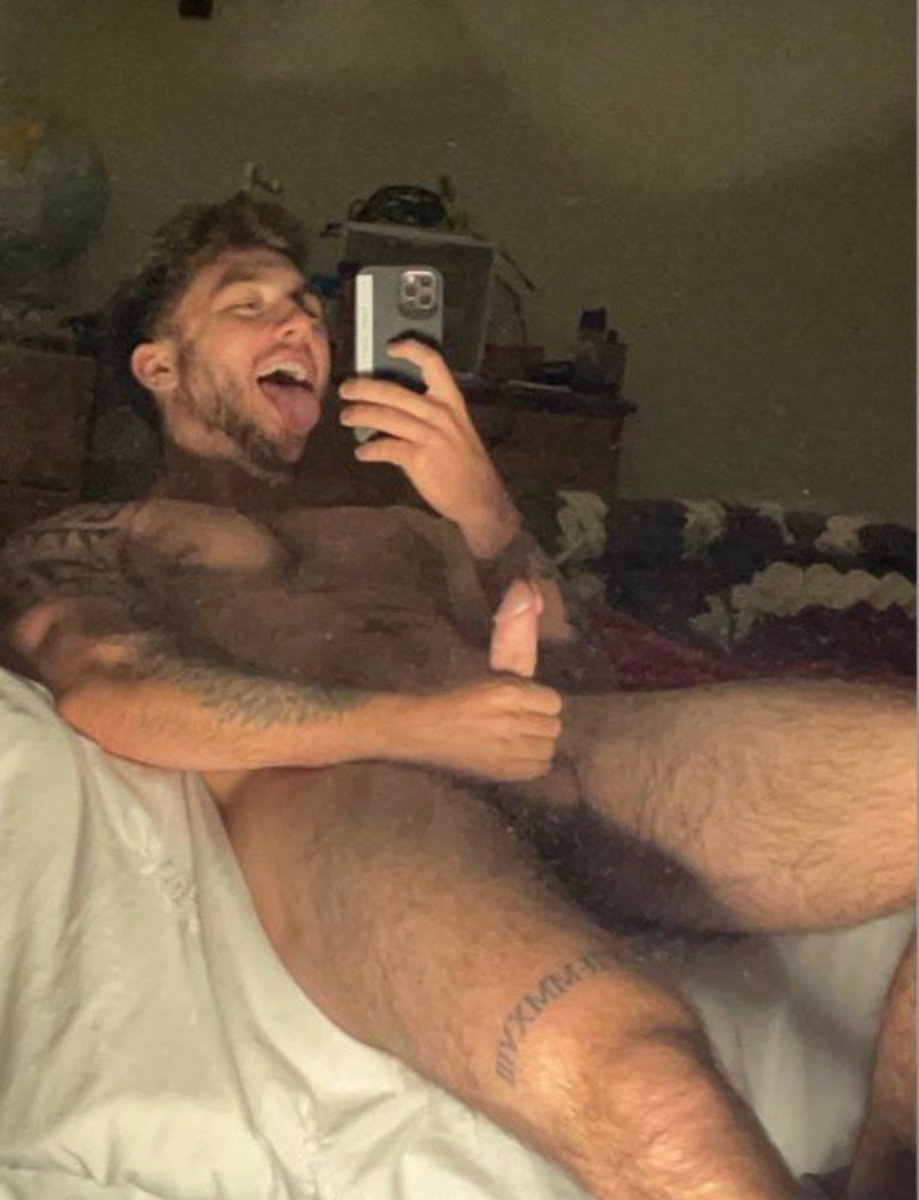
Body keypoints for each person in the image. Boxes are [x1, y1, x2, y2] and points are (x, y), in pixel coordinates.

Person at [1, 194, 913, 1200]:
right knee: (651, 1090)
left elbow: (585, 679)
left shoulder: (414, 525)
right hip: (357, 794)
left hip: (554, 761)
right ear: (159, 367)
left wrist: (486, 512)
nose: (299, 323)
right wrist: (422, 728)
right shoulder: (106, 536)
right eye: (248, 304)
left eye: (307, 305)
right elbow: (110, 687)